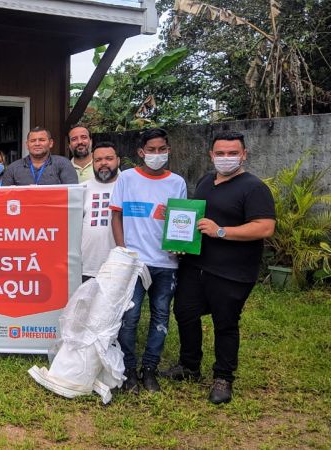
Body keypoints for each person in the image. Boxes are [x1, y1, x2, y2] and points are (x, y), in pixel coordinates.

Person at [163, 131, 275, 404]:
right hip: (195, 265)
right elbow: (194, 220)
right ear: (211, 155)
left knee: (225, 323)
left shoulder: (254, 188)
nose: (226, 158)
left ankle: (223, 377)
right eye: (221, 153)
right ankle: (189, 365)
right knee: (184, 313)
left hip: (232, 271)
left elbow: (265, 227)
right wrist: (181, 241)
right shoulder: (205, 182)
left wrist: (221, 231)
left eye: (232, 153)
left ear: (244, 154)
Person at [109, 128, 187, 394]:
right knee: (129, 318)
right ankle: (129, 370)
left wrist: (181, 246)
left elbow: (182, 221)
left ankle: (150, 370)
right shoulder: (127, 179)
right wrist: (123, 251)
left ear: (168, 150)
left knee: (161, 317)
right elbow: (116, 216)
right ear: (141, 152)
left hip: (166, 263)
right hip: (135, 263)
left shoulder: (177, 182)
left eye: (161, 149)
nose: (157, 155)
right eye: (151, 150)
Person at [81, 141, 120, 282]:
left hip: (119, 266)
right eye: (98, 160)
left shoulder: (128, 187)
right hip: (86, 266)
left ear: (118, 160)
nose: (103, 163)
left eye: (109, 159)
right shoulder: (81, 189)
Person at [1, 127, 78, 186]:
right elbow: (4, 197)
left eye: (42, 140)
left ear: (50, 143)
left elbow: (72, 193)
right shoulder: (13, 168)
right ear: (27, 145)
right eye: (33, 141)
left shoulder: (63, 163)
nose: (37, 144)